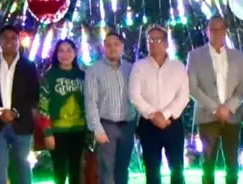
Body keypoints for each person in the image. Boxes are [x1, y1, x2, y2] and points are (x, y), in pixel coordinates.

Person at [0, 25, 41, 184]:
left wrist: (14, 112)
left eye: (14, 38)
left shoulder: (29, 66)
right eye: (5, 37)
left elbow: (33, 95)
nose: (9, 41)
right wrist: (0, 111)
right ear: (0, 40)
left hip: (22, 123)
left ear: (19, 41)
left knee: (23, 165)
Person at [186, 16, 243, 184]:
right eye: (212, 29)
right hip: (206, 116)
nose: (216, 32)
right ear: (207, 31)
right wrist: (215, 108)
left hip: (232, 116)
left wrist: (229, 108)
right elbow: (192, 87)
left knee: (232, 163)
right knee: (207, 164)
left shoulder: (239, 57)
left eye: (220, 29)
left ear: (225, 30)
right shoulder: (194, 56)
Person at [129, 25, 190, 184]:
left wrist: (165, 115)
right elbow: (135, 95)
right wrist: (153, 115)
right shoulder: (139, 66)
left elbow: (183, 96)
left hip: (173, 123)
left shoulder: (178, 66)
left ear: (166, 43)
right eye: (150, 40)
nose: (154, 43)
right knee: (151, 169)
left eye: (158, 40)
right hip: (148, 125)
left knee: (177, 168)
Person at [84, 32, 135, 184]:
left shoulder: (131, 69)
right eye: (108, 44)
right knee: (107, 171)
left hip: (128, 124)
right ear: (104, 47)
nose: (112, 48)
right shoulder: (94, 70)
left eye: (116, 44)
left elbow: (138, 96)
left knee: (123, 170)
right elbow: (90, 102)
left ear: (122, 46)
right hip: (106, 126)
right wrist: (97, 129)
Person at [40, 39, 86, 184]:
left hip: (79, 131)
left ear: (75, 53)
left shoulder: (83, 75)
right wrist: (47, 133)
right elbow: (43, 106)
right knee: (59, 172)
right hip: (57, 132)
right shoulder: (49, 76)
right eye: (61, 50)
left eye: (68, 50)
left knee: (76, 171)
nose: (64, 54)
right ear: (56, 53)